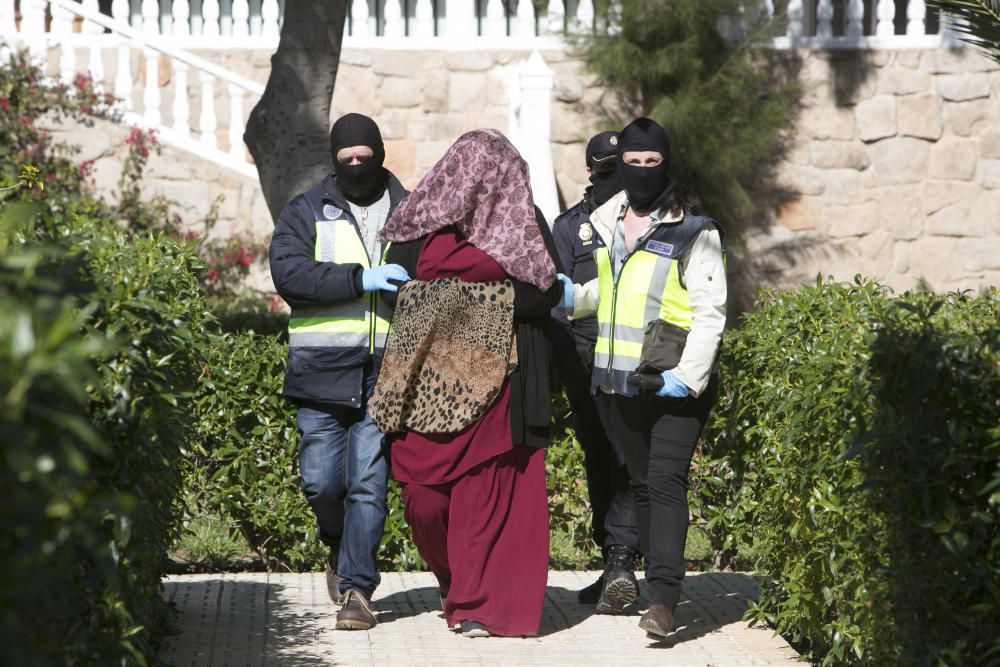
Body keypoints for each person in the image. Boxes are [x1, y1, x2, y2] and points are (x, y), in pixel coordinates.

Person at [377, 129, 563, 638]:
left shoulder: (525, 225)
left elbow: (542, 295)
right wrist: (475, 302)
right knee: (423, 497)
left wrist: (455, 305)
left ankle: (480, 606)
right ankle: (453, 581)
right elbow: (398, 293)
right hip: (428, 387)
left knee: (487, 496)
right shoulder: (420, 224)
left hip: (502, 384)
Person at [556, 117, 727, 639]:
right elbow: (610, 292)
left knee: (667, 483)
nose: (642, 172)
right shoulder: (607, 221)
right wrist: (574, 297)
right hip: (621, 384)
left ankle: (663, 600)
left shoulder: (695, 231)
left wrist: (688, 377)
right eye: (634, 163)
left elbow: (711, 311)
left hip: (673, 385)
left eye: (653, 164)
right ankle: (659, 588)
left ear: (666, 164)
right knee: (645, 487)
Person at [268, 113, 410, 632]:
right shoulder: (306, 210)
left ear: (379, 154)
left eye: (364, 157)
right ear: (334, 160)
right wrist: (361, 279)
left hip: (386, 370)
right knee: (322, 481)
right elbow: (289, 273)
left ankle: (357, 590)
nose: (356, 165)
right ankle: (338, 544)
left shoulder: (411, 209)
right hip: (322, 369)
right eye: (346, 159)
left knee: (369, 482)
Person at [550, 131, 642, 613]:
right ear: (591, 171)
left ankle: (624, 559)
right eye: (606, 171)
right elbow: (556, 303)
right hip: (586, 367)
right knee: (599, 461)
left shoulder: (647, 220)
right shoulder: (568, 228)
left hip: (635, 365)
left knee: (628, 462)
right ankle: (613, 562)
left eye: (621, 169)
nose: (615, 181)